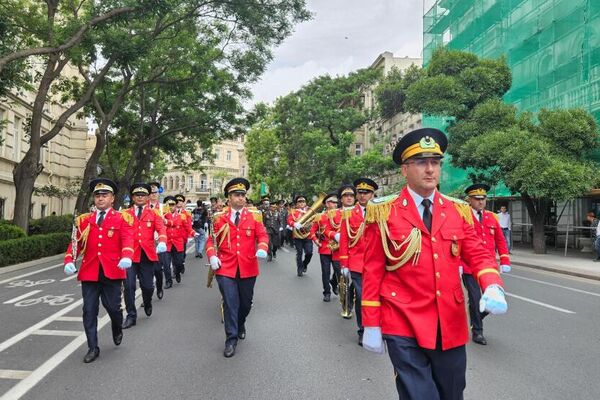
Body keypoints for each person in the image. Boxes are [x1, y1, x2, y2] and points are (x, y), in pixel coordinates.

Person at [361, 128, 508, 400]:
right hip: (402, 318)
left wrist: (492, 285)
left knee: (452, 393)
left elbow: (477, 253)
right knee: (419, 395)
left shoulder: (456, 210)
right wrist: (371, 322)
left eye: (435, 163)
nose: (430, 170)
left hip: (448, 321)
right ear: (405, 170)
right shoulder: (384, 211)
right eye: (421, 163)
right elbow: (373, 270)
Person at [63, 178, 134, 363]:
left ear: (112, 198)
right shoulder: (84, 220)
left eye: (105, 195)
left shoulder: (122, 218)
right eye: (98, 195)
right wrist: (69, 259)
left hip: (112, 270)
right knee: (89, 310)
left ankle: (117, 327)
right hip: (90, 271)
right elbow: (75, 243)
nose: (101, 198)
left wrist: (127, 255)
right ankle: (92, 347)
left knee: (113, 308)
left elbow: (128, 239)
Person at [206, 178, 269, 357]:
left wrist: (263, 248)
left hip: (248, 266)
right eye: (237, 195)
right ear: (229, 198)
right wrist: (212, 256)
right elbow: (211, 240)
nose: (241, 198)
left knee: (246, 304)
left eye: (243, 195)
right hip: (225, 267)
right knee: (230, 303)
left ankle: (240, 323)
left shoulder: (254, 216)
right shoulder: (218, 217)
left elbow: (263, 236)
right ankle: (231, 339)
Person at [462, 183, 511, 345]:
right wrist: (457, 263)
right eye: (477, 199)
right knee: (475, 298)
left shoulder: (491, 217)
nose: (481, 202)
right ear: (470, 200)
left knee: (494, 300)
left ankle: (475, 318)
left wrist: (504, 260)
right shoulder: (463, 216)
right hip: (469, 266)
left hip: (489, 267)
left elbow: (500, 240)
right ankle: (478, 331)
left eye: (483, 199)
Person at [336, 178, 377, 346]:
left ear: (373, 194)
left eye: (365, 193)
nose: (362, 196)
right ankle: (363, 330)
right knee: (361, 297)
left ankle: (375, 327)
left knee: (376, 298)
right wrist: (344, 265)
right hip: (357, 263)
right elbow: (345, 239)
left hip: (376, 263)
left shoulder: (381, 210)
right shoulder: (349, 213)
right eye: (359, 192)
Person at [121, 183, 167, 330]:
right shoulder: (125, 214)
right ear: (133, 197)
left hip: (147, 255)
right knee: (128, 286)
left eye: (143, 195)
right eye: (137, 195)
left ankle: (147, 302)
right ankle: (131, 315)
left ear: (147, 197)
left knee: (147, 286)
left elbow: (161, 229)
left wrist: (162, 241)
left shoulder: (154, 214)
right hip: (129, 256)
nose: (140, 197)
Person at [310, 192, 341, 302]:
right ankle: (326, 292)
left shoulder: (342, 214)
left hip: (338, 249)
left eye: (335, 202)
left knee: (339, 271)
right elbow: (312, 231)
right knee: (325, 272)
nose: (334, 203)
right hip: (324, 248)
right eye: (331, 202)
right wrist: (316, 241)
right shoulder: (319, 217)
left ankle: (334, 282)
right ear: (326, 204)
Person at [163, 194, 196, 284]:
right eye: (169, 205)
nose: (171, 207)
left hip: (179, 241)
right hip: (167, 243)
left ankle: (177, 272)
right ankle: (168, 281)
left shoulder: (181, 215)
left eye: (173, 204)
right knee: (166, 264)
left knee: (178, 263)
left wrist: (193, 232)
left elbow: (187, 226)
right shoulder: (163, 215)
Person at [287, 195, 314, 277]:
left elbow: (314, 221)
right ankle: (299, 268)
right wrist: (294, 224)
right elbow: (289, 221)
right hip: (298, 236)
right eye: (300, 201)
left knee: (309, 253)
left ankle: (304, 264)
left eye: (303, 201)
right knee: (299, 253)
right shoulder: (293, 212)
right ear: (296, 204)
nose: (302, 203)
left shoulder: (310, 211)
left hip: (308, 236)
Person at [147, 181, 165, 298]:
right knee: (147, 271)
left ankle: (159, 287)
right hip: (146, 243)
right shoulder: (143, 207)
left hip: (159, 243)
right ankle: (147, 295)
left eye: (155, 192)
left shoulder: (164, 208)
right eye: (151, 192)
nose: (153, 194)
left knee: (158, 270)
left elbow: (172, 223)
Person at [260, 197, 282, 261]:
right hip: (268, 230)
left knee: (275, 244)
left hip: (275, 230)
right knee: (269, 243)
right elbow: (263, 221)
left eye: (274, 207)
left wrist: (280, 227)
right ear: (269, 207)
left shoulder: (278, 213)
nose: (273, 208)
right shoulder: (265, 213)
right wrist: (264, 228)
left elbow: (280, 221)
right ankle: (269, 255)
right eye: (272, 207)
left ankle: (274, 251)